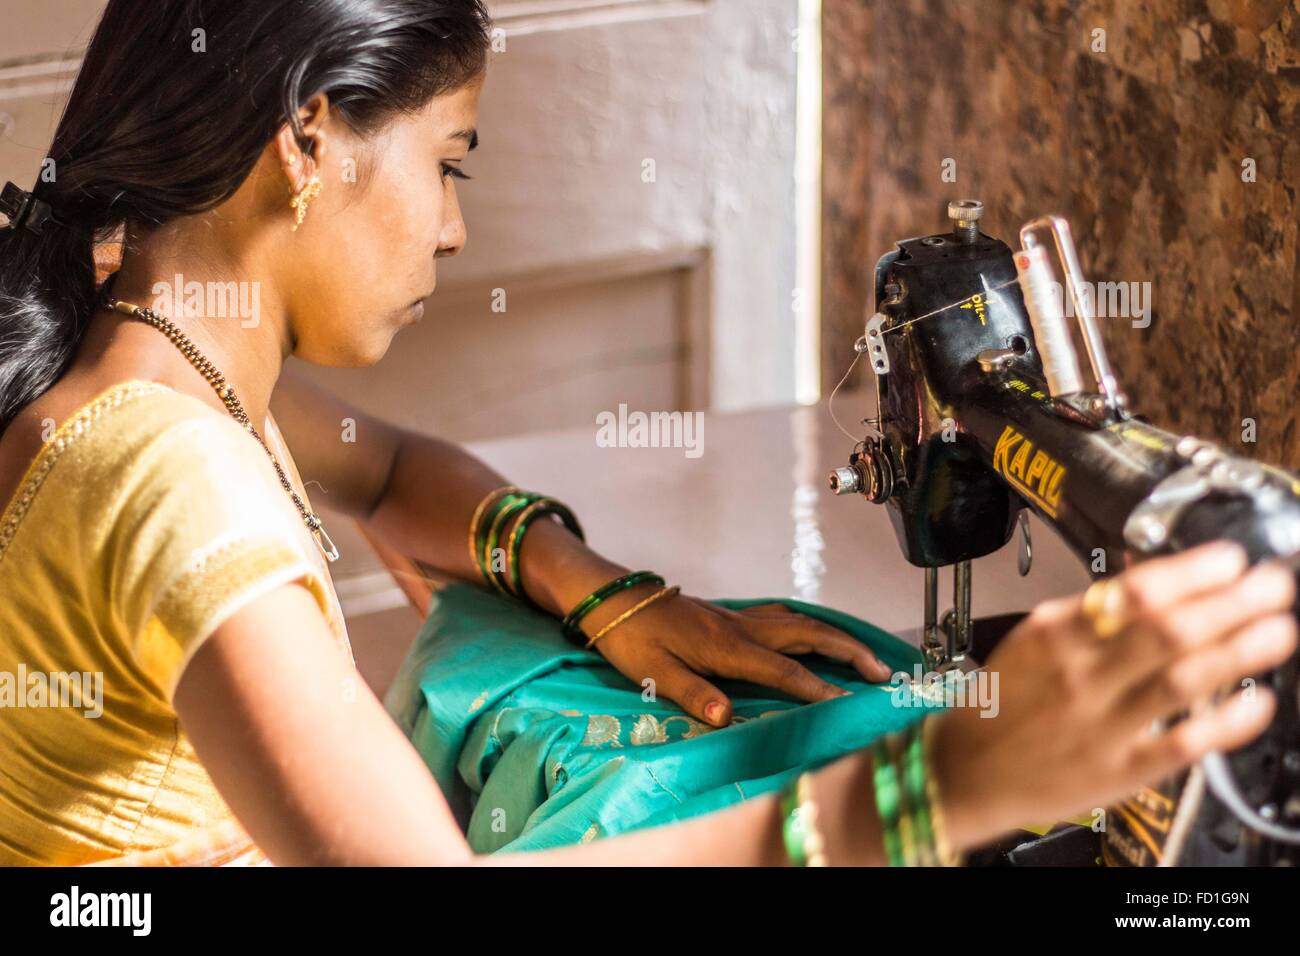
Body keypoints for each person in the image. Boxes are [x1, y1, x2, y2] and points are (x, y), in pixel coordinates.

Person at [0, 0, 1293, 867]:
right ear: (310, 135)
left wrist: (601, 589)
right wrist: (943, 787)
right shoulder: (176, 480)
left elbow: (388, 473)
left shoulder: (128, 369)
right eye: (449, 162)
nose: (453, 230)